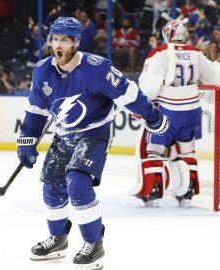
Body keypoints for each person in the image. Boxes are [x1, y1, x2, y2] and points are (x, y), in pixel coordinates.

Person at [16, 17, 169, 270]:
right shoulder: (43, 69)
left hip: (94, 134)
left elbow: (129, 94)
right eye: (55, 39)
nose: (58, 44)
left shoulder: (97, 69)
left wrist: (153, 118)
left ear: (76, 42)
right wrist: (26, 141)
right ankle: (58, 239)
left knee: (77, 183)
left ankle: (93, 244)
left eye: (64, 39)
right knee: (52, 184)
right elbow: (36, 109)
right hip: (63, 135)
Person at [130, 19, 216, 208]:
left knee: (154, 150)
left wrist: (143, 107)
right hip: (192, 109)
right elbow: (210, 80)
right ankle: (188, 191)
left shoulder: (159, 53)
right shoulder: (196, 53)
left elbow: (150, 87)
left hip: (167, 110)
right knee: (187, 151)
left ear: (167, 34)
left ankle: (153, 190)